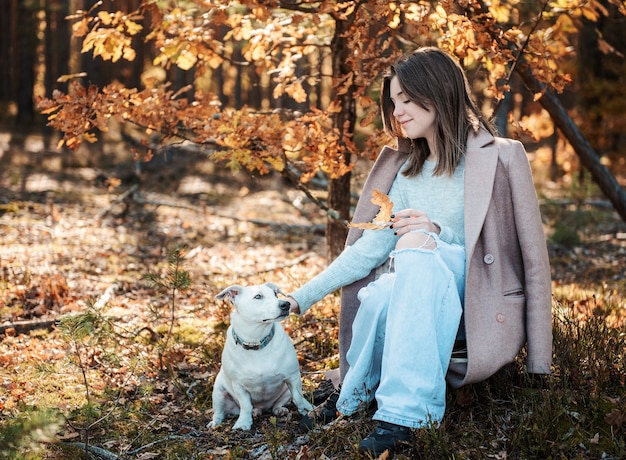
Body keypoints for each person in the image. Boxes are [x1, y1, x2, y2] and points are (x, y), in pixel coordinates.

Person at [286, 47, 552, 456]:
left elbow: (534, 259)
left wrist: (539, 361)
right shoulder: (405, 169)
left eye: (407, 100)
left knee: (415, 242)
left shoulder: (502, 156)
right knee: (392, 277)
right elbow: (367, 251)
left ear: (440, 93)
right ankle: (361, 404)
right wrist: (298, 297)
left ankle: (401, 413)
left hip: (475, 307)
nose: (398, 112)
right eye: (393, 102)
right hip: (413, 297)